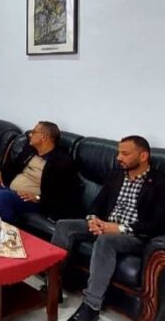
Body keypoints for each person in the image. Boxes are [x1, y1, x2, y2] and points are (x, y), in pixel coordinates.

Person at [52, 136, 165, 321]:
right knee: (64, 226)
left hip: (134, 235)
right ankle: (54, 285)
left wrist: (120, 228)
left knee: (106, 241)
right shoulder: (116, 175)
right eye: (118, 153)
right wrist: (93, 219)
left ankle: (91, 307)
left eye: (125, 154)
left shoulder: (159, 183)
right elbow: (98, 203)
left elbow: (158, 223)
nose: (119, 157)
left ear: (143, 156)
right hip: (104, 224)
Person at [0, 121, 81, 223]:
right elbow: (10, 163)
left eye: (34, 132)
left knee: (3, 196)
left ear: (44, 137)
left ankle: (4, 235)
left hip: (36, 202)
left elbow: (64, 195)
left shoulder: (62, 162)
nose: (30, 134)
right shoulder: (30, 150)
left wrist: (38, 198)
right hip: (10, 191)